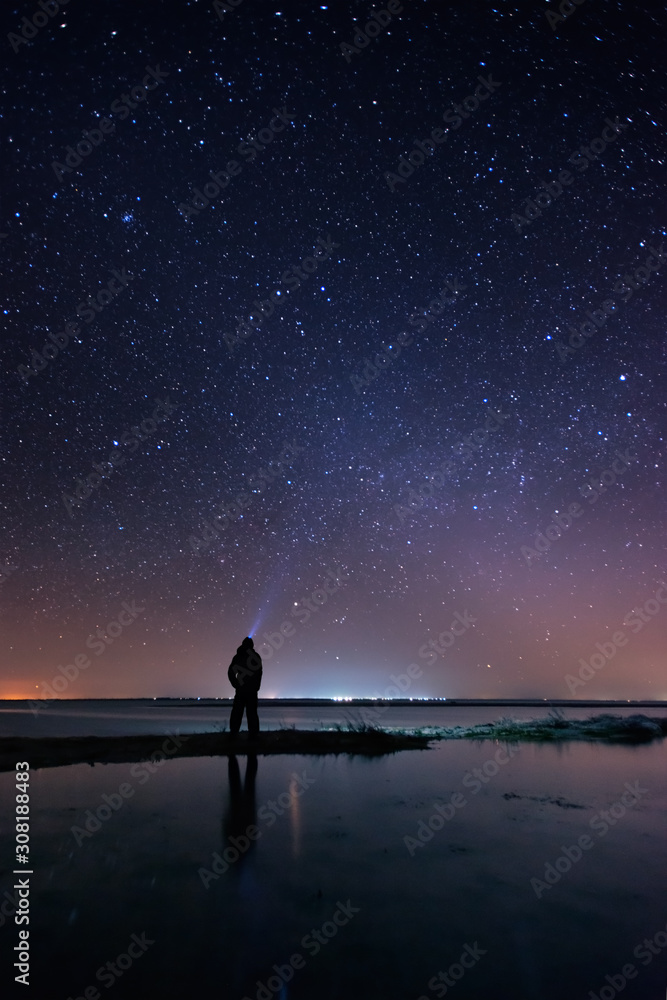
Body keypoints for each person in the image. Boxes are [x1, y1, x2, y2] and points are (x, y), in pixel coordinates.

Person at [228, 636, 262, 737]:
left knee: (240, 712)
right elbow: (259, 673)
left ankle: (236, 734)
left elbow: (231, 672)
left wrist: (236, 684)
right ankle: (250, 735)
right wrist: (236, 684)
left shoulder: (239, 656)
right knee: (247, 713)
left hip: (244, 689)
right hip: (246, 689)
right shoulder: (243, 656)